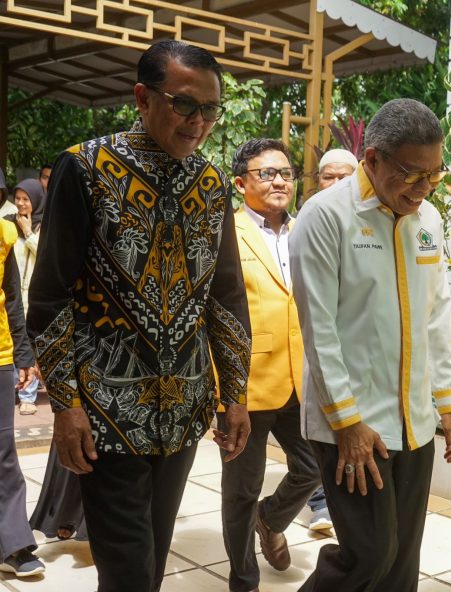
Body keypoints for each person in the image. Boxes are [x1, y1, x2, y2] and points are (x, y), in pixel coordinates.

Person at [26, 39, 252, 592]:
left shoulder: (211, 182)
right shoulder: (86, 169)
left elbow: (225, 295)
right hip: (106, 410)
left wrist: (235, 392)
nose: (199, 122)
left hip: (182, 409)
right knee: (128, 569)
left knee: (149, 562)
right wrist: (66, 404)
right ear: (142, 97)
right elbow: (51, 295)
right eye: (184, 105)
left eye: (210, 110)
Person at [290, 98, 451, 592]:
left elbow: (437, 316)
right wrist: (347, 421)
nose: (424, 188)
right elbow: (318, 328)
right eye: (412, 173)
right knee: (369, 555)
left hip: (413, 423)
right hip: (354, 424)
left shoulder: (427, 220)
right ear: (372, 159)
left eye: (434, 174)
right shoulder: (326, 216)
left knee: (402, 564)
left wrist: (449, 402)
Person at [216, 138, 322, 592]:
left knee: (314, 467)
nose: (279, 180)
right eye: (266, 173)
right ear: (241, 183)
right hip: (245, 383)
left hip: (302, 380)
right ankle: (244, 579)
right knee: (241, 488)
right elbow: (212, 313)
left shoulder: (306, 231)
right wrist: (221, 391)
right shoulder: (223, 232)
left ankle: (271, 517)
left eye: (286, 173)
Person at [304, 147, 360, 532]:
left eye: (345, 177)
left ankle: (320, 504)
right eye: (329, 177)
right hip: (295, 358)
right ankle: (314, 502)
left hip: (345, 364)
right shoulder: (308, 223)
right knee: (310, 451)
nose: (337, 185)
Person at [0, 216, 45, 578]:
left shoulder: (3, 233)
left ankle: (12, 543)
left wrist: (24, 354)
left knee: (2, 452)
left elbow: (12, 296)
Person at [6, 179, 44, 415]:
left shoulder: (45, 225)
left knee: (31, 344)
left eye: (25, 199)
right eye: (17, 198)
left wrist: (29, 232)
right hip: (13, 296)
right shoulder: (8, 224)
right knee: (12, 341)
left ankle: (27, 396)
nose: (20, 204)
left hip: (35, 296)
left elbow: (46, 258)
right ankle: (12, 389)